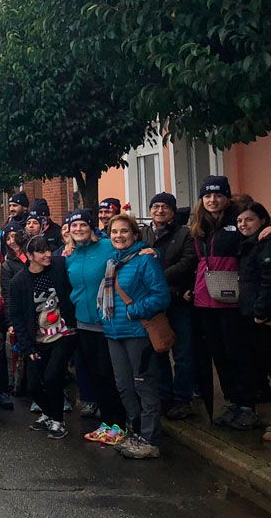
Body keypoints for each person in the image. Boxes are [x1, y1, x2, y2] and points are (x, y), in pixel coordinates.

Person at [99, 213, 171, 459]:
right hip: (113, 333)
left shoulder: (145, 261)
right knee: (124, 387)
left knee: (144, 386)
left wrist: (133, 311)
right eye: (114, 232)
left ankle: (150, 440)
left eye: (124, 231)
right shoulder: (112, 262)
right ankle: (136, 432)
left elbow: (160, 296)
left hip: (137, 332)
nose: (119, 236)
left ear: (134, 235)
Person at [189, 176, 258, 429]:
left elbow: (257, 229)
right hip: (206, 299)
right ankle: (233, 402)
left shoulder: (238, 218)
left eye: (218, 195)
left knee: (239, 353)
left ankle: (247, 406)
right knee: (220, 355)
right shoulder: (200, 225)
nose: (212, 200)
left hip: (233, 299)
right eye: (207, 196)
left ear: (227, 197)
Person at [64, 208, 126, 436]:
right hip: (83, 323)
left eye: (83, 225)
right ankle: (107, 424)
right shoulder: (68, 254)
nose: (78, 229)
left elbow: (130, 253)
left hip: (108, 322)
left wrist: (149, 251)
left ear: (91, 228)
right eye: (74, 226)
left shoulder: (108, 247)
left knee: (111, 375)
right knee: (95, 375)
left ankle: (120, 424)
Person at [8, 235, 77, 439]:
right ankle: (48, 413)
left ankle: (58, 421)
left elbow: (76, 257)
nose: (47, 254)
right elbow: (17, 316)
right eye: (41, 251)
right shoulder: (19, 281)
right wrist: (27, 347)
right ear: (29, 256)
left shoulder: (58, 266)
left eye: (48, 249)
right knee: (34, 385)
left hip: (64, 333)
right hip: (37, 339)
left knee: (52, 376)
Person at [141, 192, 197, 420]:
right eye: (155, 207)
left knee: (183, 353)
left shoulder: (184, 234)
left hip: (178, 302)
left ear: (173, 211)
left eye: (165, 207)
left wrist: (158, 278)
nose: (160, 211)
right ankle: (164, 396)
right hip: (154, 304)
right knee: (159, 349)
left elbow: (188, 261)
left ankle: (182, 399)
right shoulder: (143, 233)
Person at [236, 201, 271, 441]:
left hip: (263, 317)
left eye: (249, 219)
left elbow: (268, 280)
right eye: (239, 221)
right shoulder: (249, 245)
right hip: (251, 314)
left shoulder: (265, 244)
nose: (243, 224)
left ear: (262, 221)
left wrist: (261, 311)